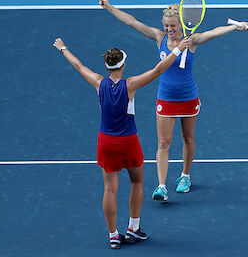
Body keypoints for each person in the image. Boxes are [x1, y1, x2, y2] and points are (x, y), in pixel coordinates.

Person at [98, 0, 248, 202]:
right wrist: (109, 7)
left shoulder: (192, 41)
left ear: (180, 24)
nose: (168, 29)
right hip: (166, 99)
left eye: (172, 26)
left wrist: (236, 27)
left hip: (189, 98)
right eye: (166, 26)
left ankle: (185, 176)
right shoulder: (159, 38)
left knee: (188, 138)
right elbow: (131, 21)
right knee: (163, 142)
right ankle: (161, 186)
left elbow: (213, 33)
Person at [53, 36, 191, 249]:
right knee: (137, 182)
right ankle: (133, 227)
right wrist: (177, 50)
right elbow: (157, 71)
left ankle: (113, 235)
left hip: (106, 142)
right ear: (123, 64)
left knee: (110, 190)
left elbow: (78, 65)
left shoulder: (99, 82)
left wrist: (63, 48)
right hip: (128, 141)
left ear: (107, 66)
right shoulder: (130, 85)